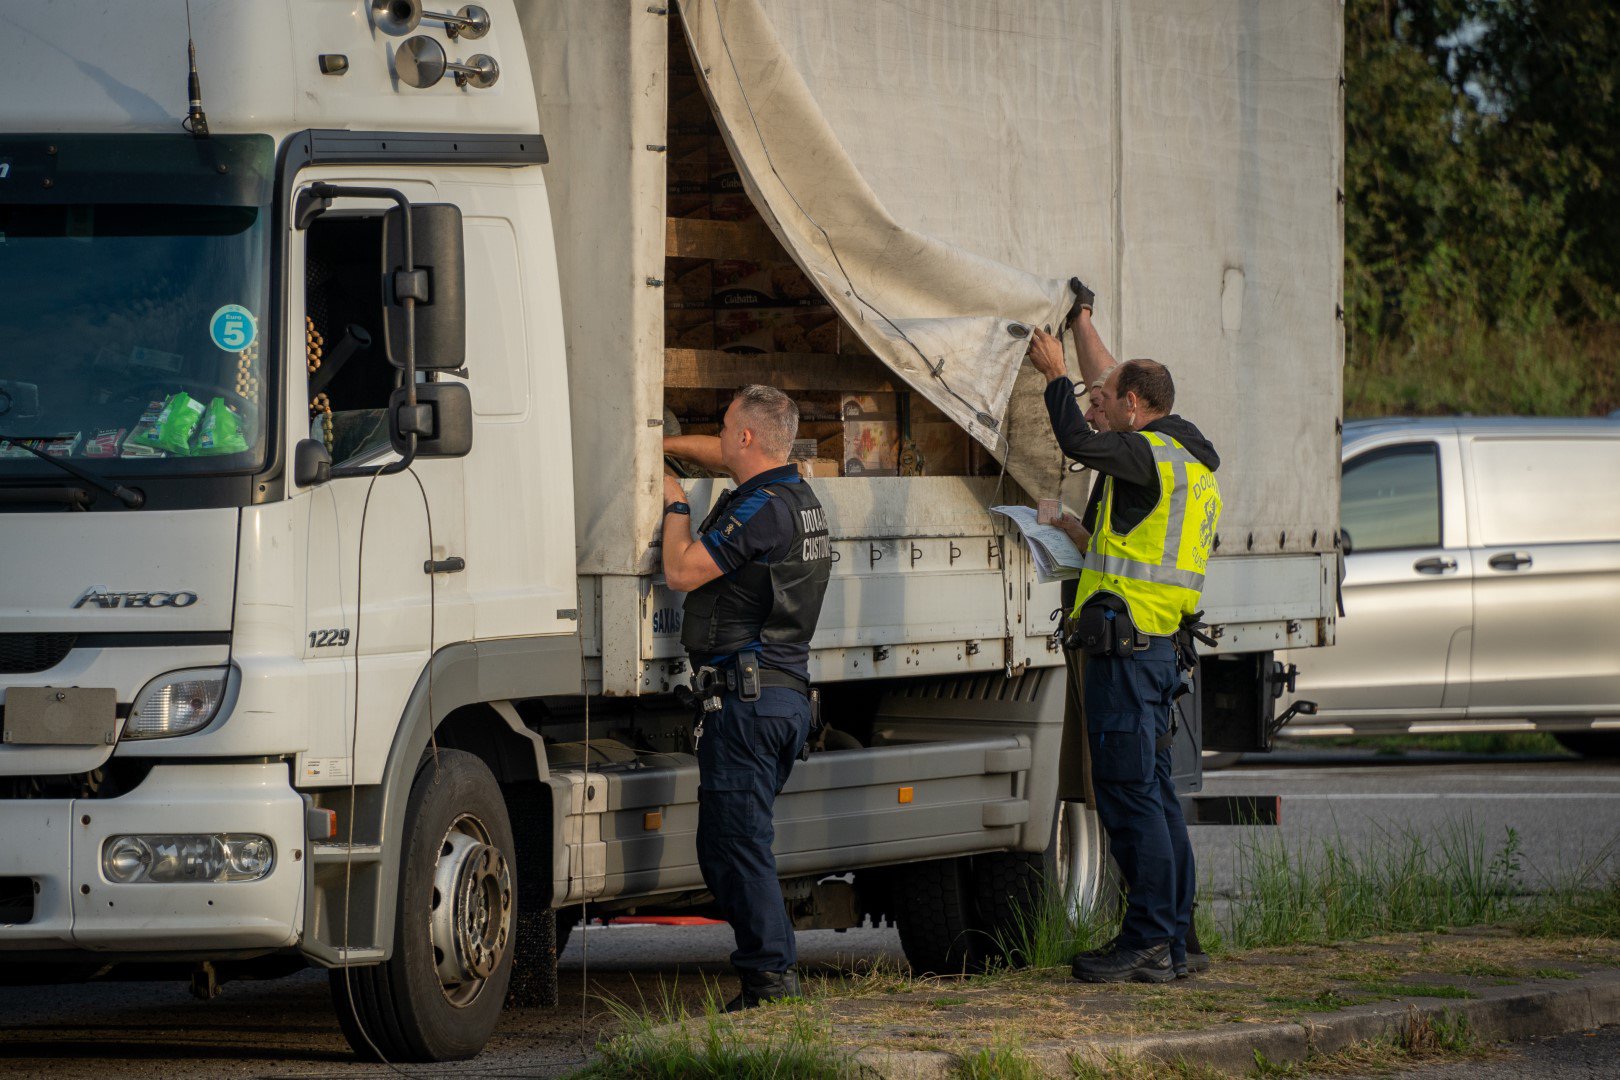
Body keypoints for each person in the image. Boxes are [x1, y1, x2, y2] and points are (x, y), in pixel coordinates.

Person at [1027, 281, 1223, 984]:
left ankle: (1148, 942)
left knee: (1131, 798)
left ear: (1135, 407)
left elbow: (1079, 437)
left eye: (1106, 400)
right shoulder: (1189, 462)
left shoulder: (1146, 454)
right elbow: (1129, 550)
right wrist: (1083, 320)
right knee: (1155, 797)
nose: (1095, 406)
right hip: (1157, 648)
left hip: (1129, 653)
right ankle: (1179, 938)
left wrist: (1055, 374)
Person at [659, 384, 832, 1010]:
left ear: (747, 436)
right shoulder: (796, 496)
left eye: (725, 426)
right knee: (728, 845)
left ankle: (771, 983)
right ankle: (770, 974)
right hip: (777, 696)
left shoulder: (761, 510)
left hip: (747, 699)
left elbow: (681, 571)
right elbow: (722, 452)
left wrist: (675, 503)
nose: (719, 436)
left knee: (738, 846)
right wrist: (658, 446)